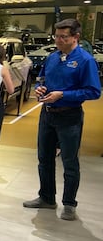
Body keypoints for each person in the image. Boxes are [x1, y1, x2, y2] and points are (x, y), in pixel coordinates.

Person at [23, 18, 101, 220]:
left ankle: (69, 204)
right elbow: (40, 79)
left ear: (76, 37)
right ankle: (47, 198)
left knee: (69, 161)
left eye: (63, 37)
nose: (58, 40)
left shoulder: (85, 60)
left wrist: (63, 95)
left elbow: (93, 91)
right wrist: (39, 88)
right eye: (56, 36)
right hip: (47, 114)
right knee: (44, 158)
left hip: (70, 116)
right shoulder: (52, 58)